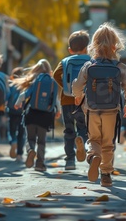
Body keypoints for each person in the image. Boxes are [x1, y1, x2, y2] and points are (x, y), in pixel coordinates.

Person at [72, 22, 126, 187]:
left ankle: (93, 156)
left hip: (92, 110)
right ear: (115, 46)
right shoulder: (120, 67)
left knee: (94, 139)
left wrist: (78, 97)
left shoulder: (89, 66)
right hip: (112, 110)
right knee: (108, 143)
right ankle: (106, 174)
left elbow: (77, 86)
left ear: (94, 45)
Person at [13, 59, 60, 172]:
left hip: (31, 114)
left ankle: (30, 151)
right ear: (49, 70)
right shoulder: (53, 82)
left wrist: (17, 103)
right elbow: (56, 101)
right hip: (45, 117)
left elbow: (24, 94)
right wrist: (58, 111)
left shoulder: (35, 81)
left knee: (30, 139)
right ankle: (39, 164)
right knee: (41, 142)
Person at [52, 30, 90, 170]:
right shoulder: (89, 61)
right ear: (87, 48)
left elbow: (56, 75)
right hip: (84, 101)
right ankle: (83, 144)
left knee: (68, 130)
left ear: (70, 49)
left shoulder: (65, 61)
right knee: (84, 128)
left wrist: (67, 88)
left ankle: (70, 161)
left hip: (66, 100)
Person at [7, 67, 28, 162]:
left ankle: (13, 141)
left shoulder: (11, 85)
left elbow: (7, 96)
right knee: (21, 133)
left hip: (11, 111)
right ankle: (19, 154)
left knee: (11, 130)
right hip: (22, 112)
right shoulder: (25, 86)